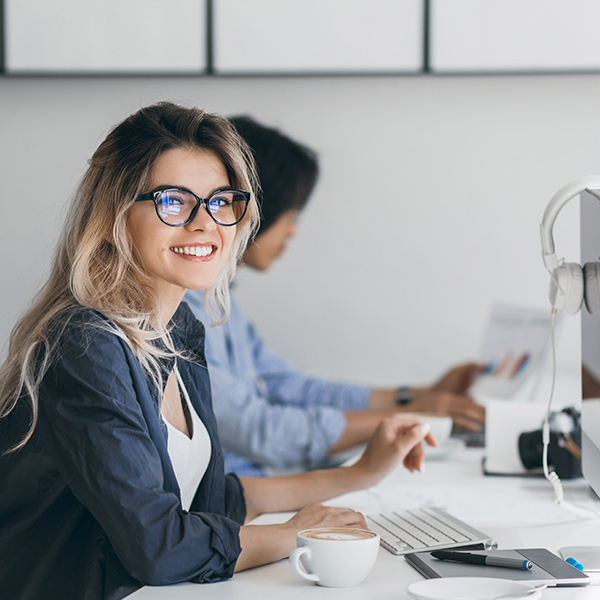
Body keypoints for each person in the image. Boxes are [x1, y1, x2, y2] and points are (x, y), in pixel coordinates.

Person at [0, 102, 436, 600]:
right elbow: (159, 546)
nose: (206, 222)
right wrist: (295, 534)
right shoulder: (85, 346)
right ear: (115, 215)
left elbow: (213, 499)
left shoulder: (177, 329)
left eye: (221, 201)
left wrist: (359, 474)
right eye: (172, 201)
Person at [185, 116, 485, 477]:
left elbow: (292, 388)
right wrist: (407, 416)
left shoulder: (221, 303)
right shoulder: (182, 312)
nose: (293, 230)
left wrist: (416, 397)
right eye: (291, 212)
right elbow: (259, 429)